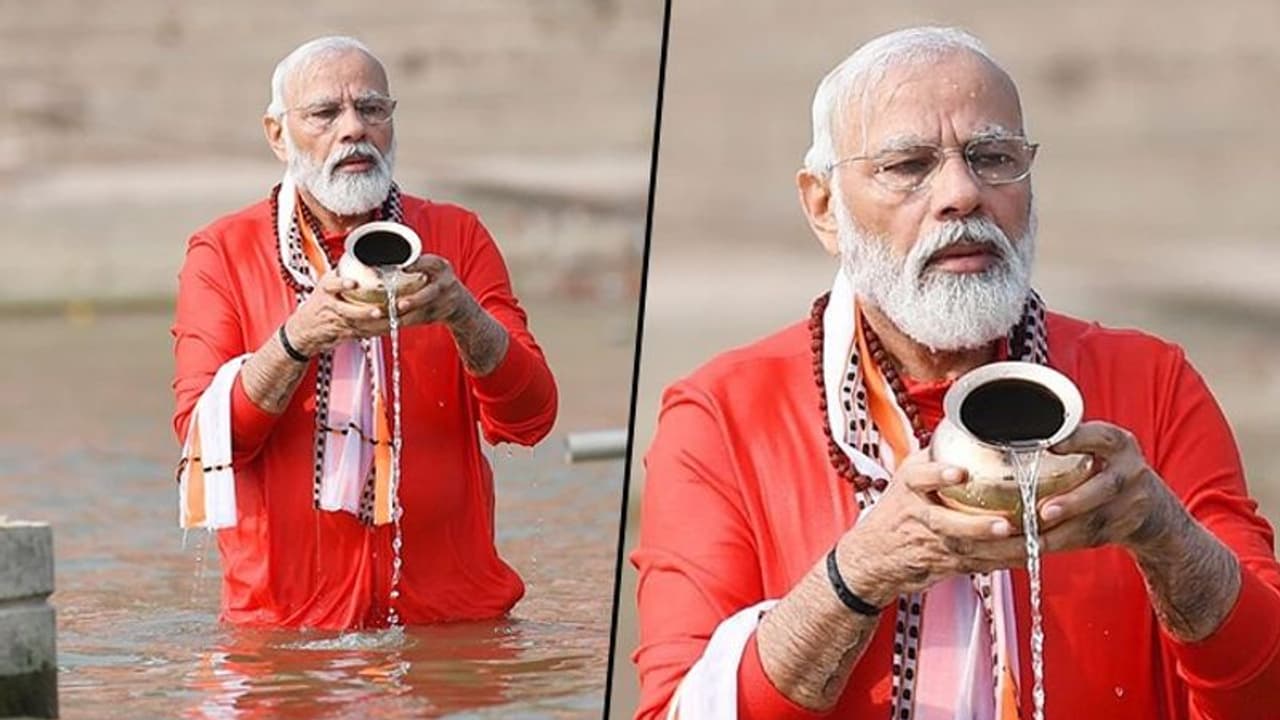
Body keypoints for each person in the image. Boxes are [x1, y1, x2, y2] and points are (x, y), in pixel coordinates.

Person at [632, 26, 1280, 720]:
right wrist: (859, 575)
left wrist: (1163, 534)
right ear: (824, 207)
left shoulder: (1150, 384)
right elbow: (678, 708)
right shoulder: (722, 417)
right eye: (908, 165)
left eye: (993, 158)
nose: (962, 194)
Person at [171, 36, 557, 629]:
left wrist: (462, 313)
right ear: (278, 135)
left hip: (453, 625)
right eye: (325, 113)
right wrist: (298, 339)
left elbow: (531, 419)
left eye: (372, 109)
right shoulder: (222, 253)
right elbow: (208, 442)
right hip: (287, 632)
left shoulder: (455, 237)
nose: (354, 128)